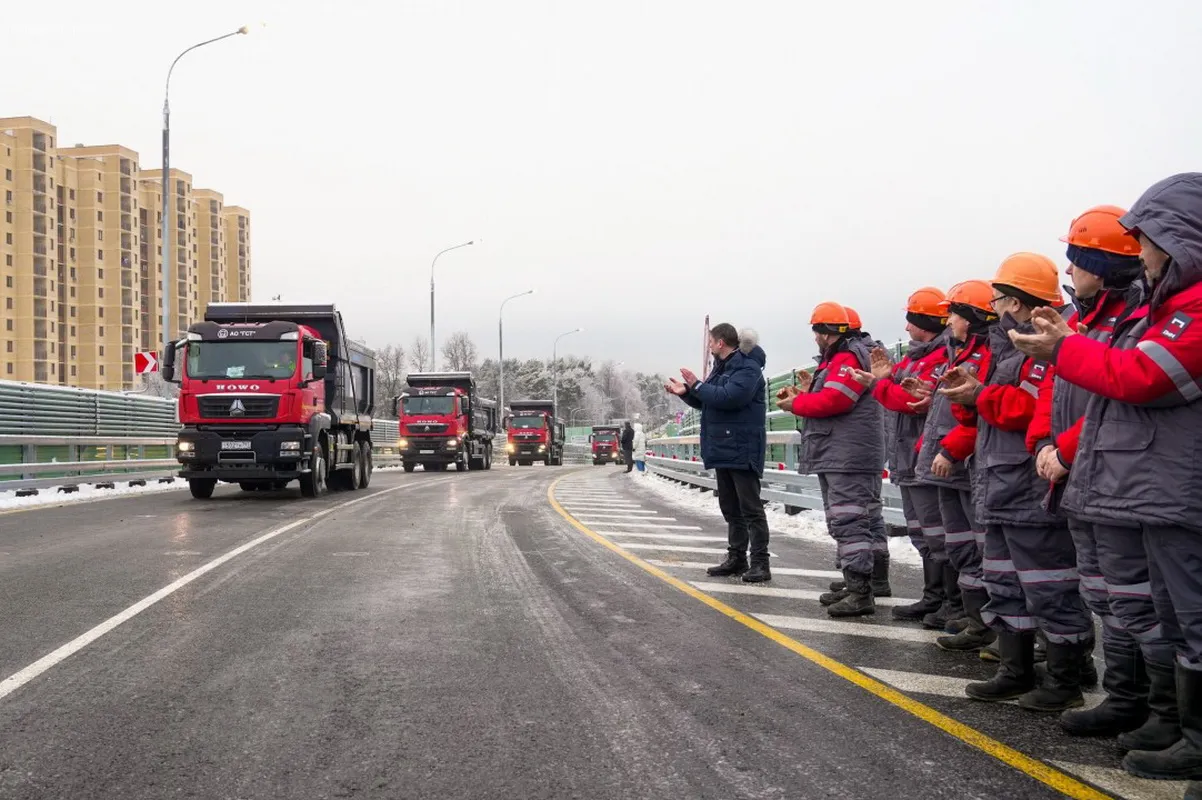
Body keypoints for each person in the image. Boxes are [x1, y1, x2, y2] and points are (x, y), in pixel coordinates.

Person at [1012, 174, 1202, 783]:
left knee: (1180, 613)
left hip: (1163, 486)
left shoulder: (1180, 313)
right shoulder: (1157, 311)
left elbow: (1139, 379)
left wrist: (1062, 354)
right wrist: (1047, 438)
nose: (1142, 252)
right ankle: (1157, 714)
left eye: (1147, 240)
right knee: (1153, 608)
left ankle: (1179, 728)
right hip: (1138, 481)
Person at [1024, 205, 1161, 741]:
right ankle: (1126, 697)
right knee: (1106, 594)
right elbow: (1054, 391)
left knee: (1132, 596)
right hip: (1083, 475)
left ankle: (1148, 706)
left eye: (1075, 262)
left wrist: (1065, 448)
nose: (1069, 273)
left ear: (1098, 265)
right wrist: (1044, 441)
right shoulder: (1082, 323)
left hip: (1108, 471)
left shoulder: (1130, 321)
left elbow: (1115, 400)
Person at [938, 253, 1093, 711]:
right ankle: (1015, 670)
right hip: (998, 483)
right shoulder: (1007, 349)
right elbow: (987, 412)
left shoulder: (1044, 348)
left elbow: (1028, 410)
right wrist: (969, 393)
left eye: (1002, 298)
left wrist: (979, 393)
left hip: (1027, 485)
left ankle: (1067, 676)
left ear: (1022, 303)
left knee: (1048, 583)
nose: (996, 307)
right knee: (1004, 581)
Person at [849, 287, 953, 622]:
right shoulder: (915, 357)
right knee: (923, 532)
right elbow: (897, 387)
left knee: (938, 534)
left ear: (924, 321)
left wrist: (879, 384)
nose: (907, 328)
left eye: (911, 320)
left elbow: (908, 401)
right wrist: (879, 380)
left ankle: (950, 602)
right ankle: (934, 596)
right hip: (909, 456)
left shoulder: (938, 358)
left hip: (925, 456)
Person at [776, 302, 884, 617]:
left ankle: (860, 590)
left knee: (848, 520)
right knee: (865, 518)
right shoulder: (847, 356)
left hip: (845, 453)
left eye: (816, 331)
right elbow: (832, 394)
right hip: (849, 451)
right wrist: (810, 391)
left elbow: (836, 400)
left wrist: (798, 403)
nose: (814, 338)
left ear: (827, 332)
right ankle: (869, 581)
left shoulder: (847, 357)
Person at [912, 280, 997, 636]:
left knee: (979, 546)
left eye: (955, 314)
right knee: (959, 544)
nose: (948, 321)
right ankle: (971, 615)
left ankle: (982, 622)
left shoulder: (988, 354)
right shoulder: (960, 353)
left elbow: (985, 412)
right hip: (949, 460)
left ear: (973, 317)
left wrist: (951, 449)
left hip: (964, 464)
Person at [666, 325, 770, 583]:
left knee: (751, 508)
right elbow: (709, 400)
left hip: (742, 446)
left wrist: (697, 385)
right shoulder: (721, 367)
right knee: (730, 507)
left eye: (711, 342)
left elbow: (729, 397)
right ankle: (737, 557)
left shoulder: (748, 368)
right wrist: (687, 393)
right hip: (723, 446)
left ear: (721, 342)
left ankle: (760, 562)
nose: (709, 346)